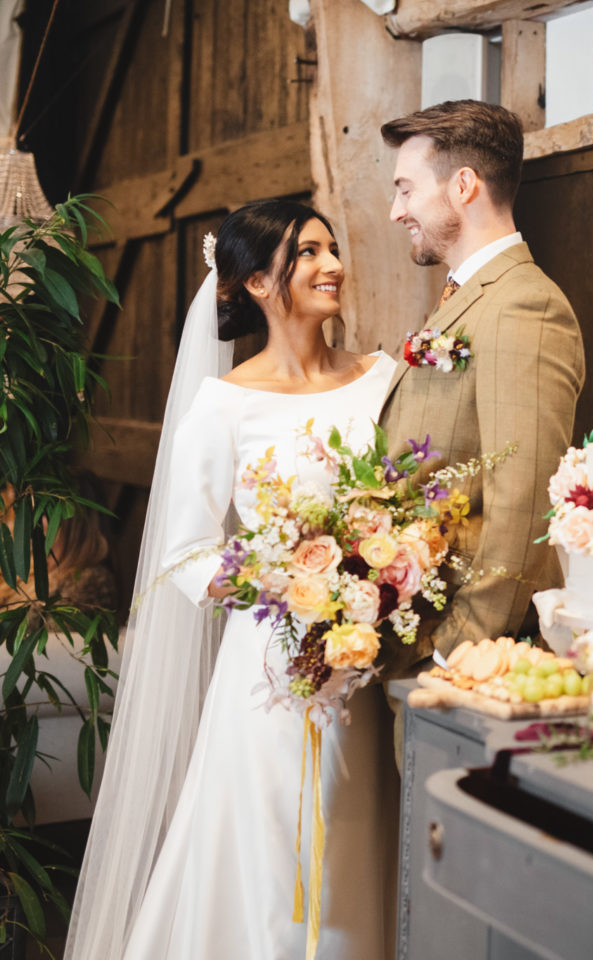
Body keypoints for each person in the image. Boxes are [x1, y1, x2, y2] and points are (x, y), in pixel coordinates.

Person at [66, 200, 396, 960]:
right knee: (281, 850)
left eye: (332, 247)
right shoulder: (224, 406)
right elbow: (183, 552)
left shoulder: (382, 377)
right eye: (307, 253)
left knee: (357, 839)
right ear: (255, 282)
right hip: (271, 671)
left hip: (365, 664)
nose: (332, 264)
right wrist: (283, 584)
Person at [377, 100, 584, 670]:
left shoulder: (525, 304)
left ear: (463, 185)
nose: (397, 211)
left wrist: (456, 651)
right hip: (414, 630)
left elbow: (524, 496)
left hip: (466, 656)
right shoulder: (469, 296)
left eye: (406, 189)